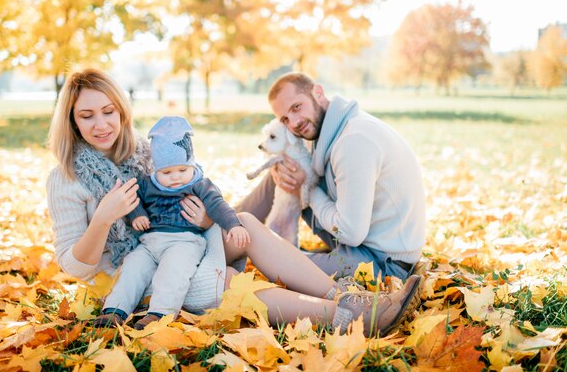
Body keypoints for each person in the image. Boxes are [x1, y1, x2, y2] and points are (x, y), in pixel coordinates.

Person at [46, 68, 422, 337]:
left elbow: (193, 198)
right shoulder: (66, 179)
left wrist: (209, 219)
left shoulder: (148, 154)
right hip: (137, 275)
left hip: (184, 241)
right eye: (87, 115)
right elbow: (74, 266)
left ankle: (346, 297)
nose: (101, 125)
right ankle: (347, 318)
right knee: (227, 281)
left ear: (122, 111)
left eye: (108, 111)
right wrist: (104, 218)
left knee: (242, 223)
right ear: (72, 122)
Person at [237, 72, 426, 280]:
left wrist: (305, 186)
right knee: (286, 170)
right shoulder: (325, 129)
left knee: (274, 262)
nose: (294, 123)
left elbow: (351, 233)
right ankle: (224, 226)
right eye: (285, 119)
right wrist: (286, 175)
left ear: (318, 92)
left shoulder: (354, 141)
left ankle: (231, 240)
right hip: (360, 245)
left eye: (297, 107)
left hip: (383, 264)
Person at [97, 115, 250, 329]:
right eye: (167, 172)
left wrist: (233, 225)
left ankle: (159, 314)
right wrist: (137, 215)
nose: (176, 177)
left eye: (182, 170)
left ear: (191, 165)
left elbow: (218, 205)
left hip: (185, 242)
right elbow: (133, 198)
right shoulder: (148, 184)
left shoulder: (199, 185)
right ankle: (114, 311)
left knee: (173, 270)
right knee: (133, 267)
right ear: (156, 169)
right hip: (150, 243)